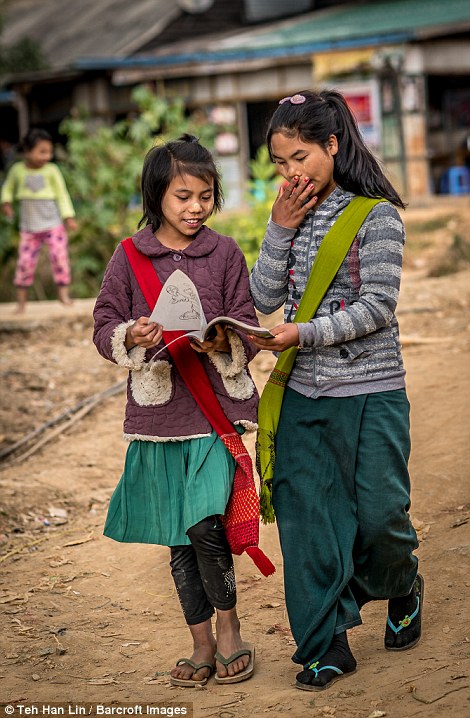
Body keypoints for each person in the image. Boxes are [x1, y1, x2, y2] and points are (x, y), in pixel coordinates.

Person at [248, 90, 423, 691]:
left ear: (332, 144)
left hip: (372, 389)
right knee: (306, 520)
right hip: (303, 391)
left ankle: (402, 583)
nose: (290, 173)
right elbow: (262, 297)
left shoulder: (377, 216)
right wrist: (278, 229)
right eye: (280, 162)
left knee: (380, 517)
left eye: (299, 157)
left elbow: (378, 307)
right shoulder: (290, 214)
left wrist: (302, 332)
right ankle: (325, 645)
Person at [93, 134, 262, 687]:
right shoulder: (128, 256)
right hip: (161, 420)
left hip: (215, 413)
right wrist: (132, 335)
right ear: (156, 196)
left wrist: (225, 340)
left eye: (205, 196)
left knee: (206, 524)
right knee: (179, 534)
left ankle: (230, 629)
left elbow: (245, 320)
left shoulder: (226, 252)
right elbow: (103, 324)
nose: (196, 208)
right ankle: (200, 641)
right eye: (183, 197)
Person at [0, 128, 77, 313]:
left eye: (49, 152)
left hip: (53, 225)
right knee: (24, 264)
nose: (47, 156)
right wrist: (6, 203)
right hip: (29, 228)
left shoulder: (52, 170)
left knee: (60, 258)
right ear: (27, 151)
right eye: (42, 151)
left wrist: (68, 216)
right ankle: (21, 303)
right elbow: (7, 188)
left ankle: (63, 295)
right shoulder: (17, 171)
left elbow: (62, 194)